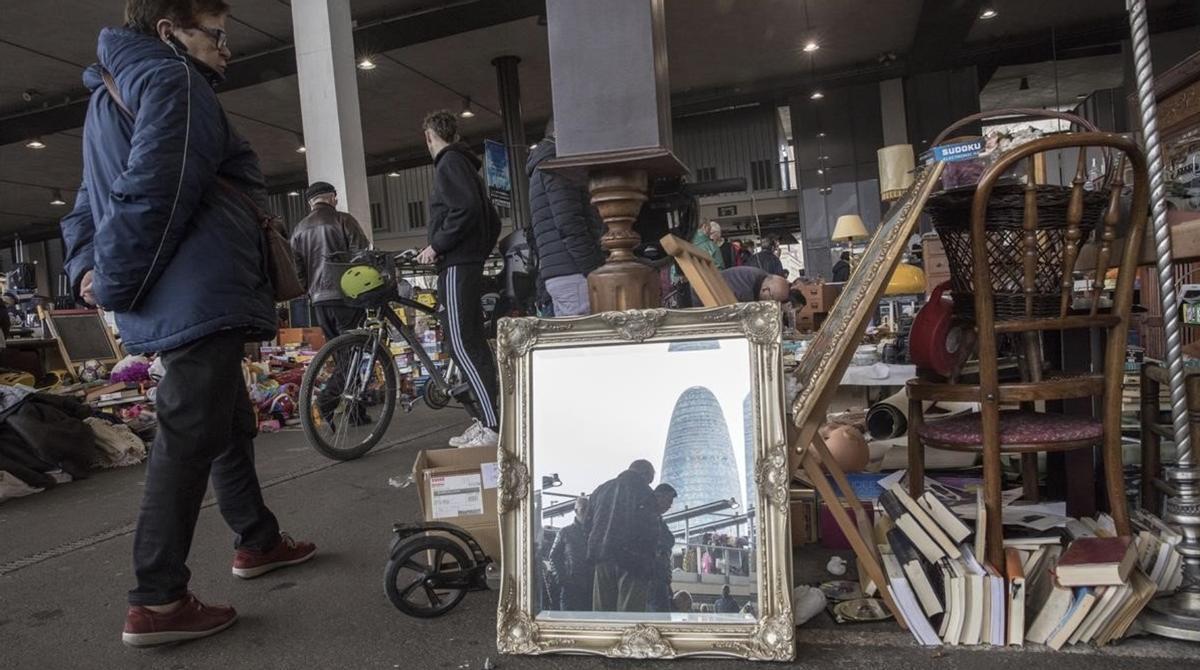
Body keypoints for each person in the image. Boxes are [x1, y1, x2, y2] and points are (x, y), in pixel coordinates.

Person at [60, 0, 315, 647]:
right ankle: (159, 599)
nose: (227, 49)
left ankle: (256, 539)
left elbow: (88, 201)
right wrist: (110, 280)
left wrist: (86, 268)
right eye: (217, 35)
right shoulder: (174, 80)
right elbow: (158, 189)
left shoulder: (112, 92)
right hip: (196, 286)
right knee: (187, 430)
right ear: (171, 32)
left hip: (178, 289)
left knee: (226, 418)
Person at [416, 110, 502, 449]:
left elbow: (463, 209)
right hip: (468, 262)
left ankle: (491, 425)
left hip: (456, 265)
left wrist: (438, 246)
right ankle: (486, 420)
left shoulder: (448, 163)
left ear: (429, 137)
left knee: (462, 345)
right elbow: (491, 219)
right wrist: (478, 249)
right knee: (472, 343)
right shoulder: (466, 164)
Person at [527, 116, 605, 316]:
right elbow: (569, 223)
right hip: (574, 272)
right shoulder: (557, 165)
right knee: (587, 341)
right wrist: (594, 267)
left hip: (560, 272)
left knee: (576, 341)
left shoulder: (542, 166)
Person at [289, 181, 369, 341]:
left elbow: (296, 267)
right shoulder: (344, 220)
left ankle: (341, 366)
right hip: (347, 294)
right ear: (332, 198)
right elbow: (361, 254)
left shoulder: (299, 229)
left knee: (334, 345)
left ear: (310, 203)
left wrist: (306, 290)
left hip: (318, 298)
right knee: (354, 344)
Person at [587, 460, 660, 612]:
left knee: (602, 616)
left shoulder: (601, 490)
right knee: (628, 616)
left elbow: (588, 524)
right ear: (645, 474)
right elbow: (650, 531)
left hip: (602, 558)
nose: (649, 483)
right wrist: (649, 564)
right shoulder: (645, 493)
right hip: (633, 561)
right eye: (650, 480)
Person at [546, 496, 594, 611]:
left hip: (591, 588)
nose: (587, 514)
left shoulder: (595, 533)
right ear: (576, 511)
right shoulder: (565, 532)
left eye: (589, 510)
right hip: (571, 590)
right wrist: (562, 580)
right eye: (583, 509)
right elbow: (553, 557)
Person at [690, 266, 796, 305]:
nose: (772, 304)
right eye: (773, 300)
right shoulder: (746, 293)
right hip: (699, 302)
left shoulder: (760, 276)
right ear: (765, 290)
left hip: (702, 291)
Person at [646, 483, 678, 613]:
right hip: (654, 576)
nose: (670, 505)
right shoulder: (649, 518)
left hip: (659, 576)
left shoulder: (656, 519)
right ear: (658, 496)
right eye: (668, 500)